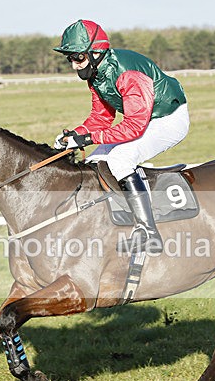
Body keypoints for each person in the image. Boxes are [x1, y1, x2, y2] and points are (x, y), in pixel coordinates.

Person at [52, 20, 189, 253]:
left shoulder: (128, 74)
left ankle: (148, 233)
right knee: (93, 161)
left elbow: (133, 127)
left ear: (95, 52)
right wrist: (77, 134)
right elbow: (101, 118)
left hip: (168, 119)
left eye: (78, 58)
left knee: (120, 159)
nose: (74, 65)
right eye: (70, 59)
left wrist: (88, 139)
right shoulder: (96, 74)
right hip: (143, 120)